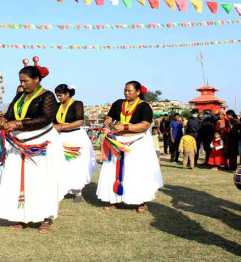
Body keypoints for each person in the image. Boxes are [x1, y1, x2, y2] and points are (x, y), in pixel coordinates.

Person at [0, 58, 64, 234]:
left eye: (25, 81)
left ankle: (44, 218)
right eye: (20, 81)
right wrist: (3, 121)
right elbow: (10, 113)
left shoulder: (47, 96)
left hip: (41, 145)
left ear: (37, 80)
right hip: (19, 144)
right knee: (19, 180)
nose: (22, 84)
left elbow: (46, 119)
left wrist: (17, 124)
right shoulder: (19, 96)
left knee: (41, 180)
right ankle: (22, 217)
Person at [97, 81, 163, 213]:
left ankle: (141, 201)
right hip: (118, 142)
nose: (126, 93)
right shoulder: (118, 103)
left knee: (137, 172)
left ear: (138, 92)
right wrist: (108, 120)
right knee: (114, 171)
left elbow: (145, 125)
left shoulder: (144, 107)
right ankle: (115, 200)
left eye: (129, 90)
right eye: (125, 90)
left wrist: (125, 127)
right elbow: (111, 116)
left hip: (137, 142)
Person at [52, 84, 97, 203]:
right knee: (61, 163)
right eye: (57, 95)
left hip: (76, 137)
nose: (59, 98)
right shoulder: (57, 106)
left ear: (67, 94)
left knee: (76, 164)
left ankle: (78, 192)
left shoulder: (77, 104)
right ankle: (62, 189)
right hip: (60, 138)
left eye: (60, 95)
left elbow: (80, 121)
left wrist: (60, 126)